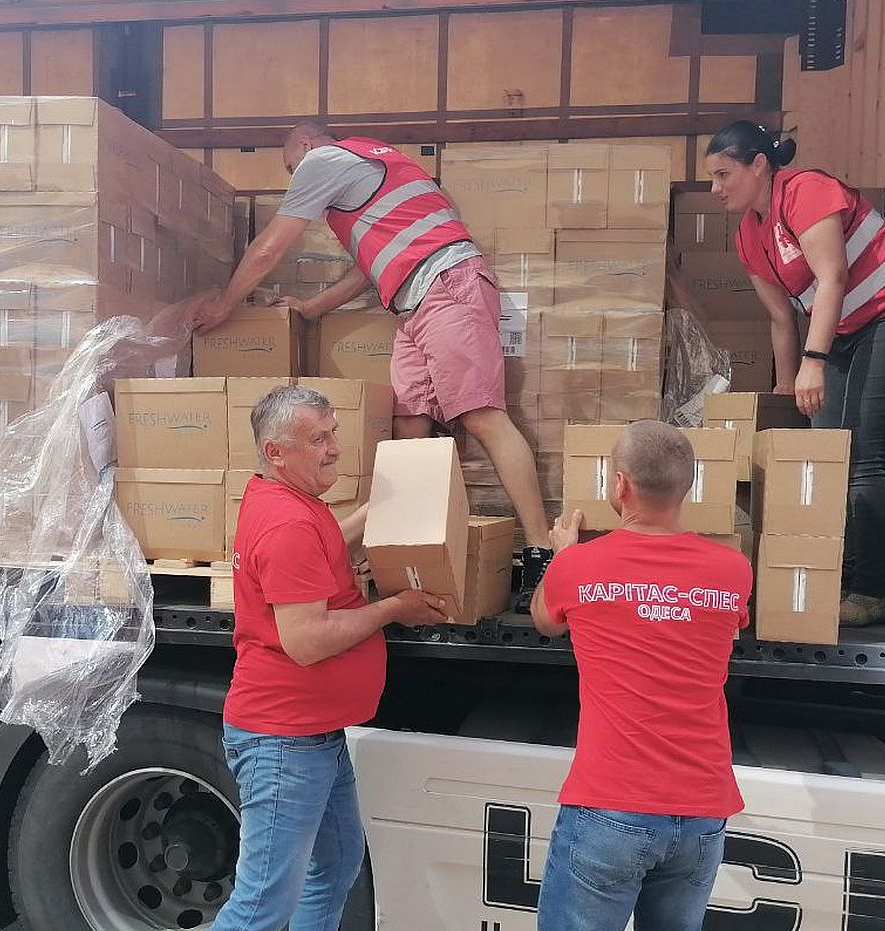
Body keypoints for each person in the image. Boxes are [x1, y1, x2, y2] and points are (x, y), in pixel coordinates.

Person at [189, 122, 554, 609]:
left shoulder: (324, 161)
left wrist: (225, 305)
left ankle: (541, 554)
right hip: (414, 303)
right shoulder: (382, 170)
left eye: (290, 168)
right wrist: (312, 310)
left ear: (304, 147)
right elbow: (369, 269)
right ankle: (413, 548)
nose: (296, 179)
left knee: (481, 416)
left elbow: (270, 248)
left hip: (447, 286)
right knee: (408, 425)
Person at [214, 385, 448, 931]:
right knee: (261, 903)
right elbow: (308, 640)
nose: (336, 448)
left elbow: (321, 549)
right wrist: (394, 607)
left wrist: (374, 510)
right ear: (276, 452)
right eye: (319, 439)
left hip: (314, 734)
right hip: (285, 740)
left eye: (334, 433)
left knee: (336, 867)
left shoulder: (289, 502)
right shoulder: (289, 522)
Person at [530, 420, 751, 931]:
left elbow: (545, 620)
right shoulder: (732, 570)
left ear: (620, 485)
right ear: (688, 485)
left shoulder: (579, 566)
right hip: (702, 810)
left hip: (610, 803)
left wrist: (562, 554)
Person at [706, 120, 885, 627]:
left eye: (723, 175)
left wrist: (814, 362)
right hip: (839, 332)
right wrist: (787, 383)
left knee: (867, 452)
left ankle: (870, 591)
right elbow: (781, 316)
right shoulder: (748, 235)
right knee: (827, 452)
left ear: (759, 165)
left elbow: (833, 277)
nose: (715, 189)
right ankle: (834, 577)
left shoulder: (808, 191)